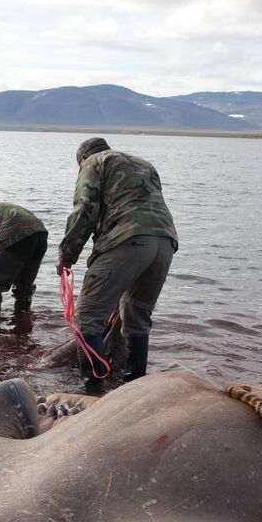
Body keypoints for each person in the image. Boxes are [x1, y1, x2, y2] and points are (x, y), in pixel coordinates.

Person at [55, 137, 177, 392]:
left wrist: (67, 256)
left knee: (87, 318)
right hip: (165, 242)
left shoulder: (93, 163)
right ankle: (133, 390)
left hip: (126, 240)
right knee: (137, 318)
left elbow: (85, 210)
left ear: (82, 158)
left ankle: (93, 391)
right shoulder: (144, 164)